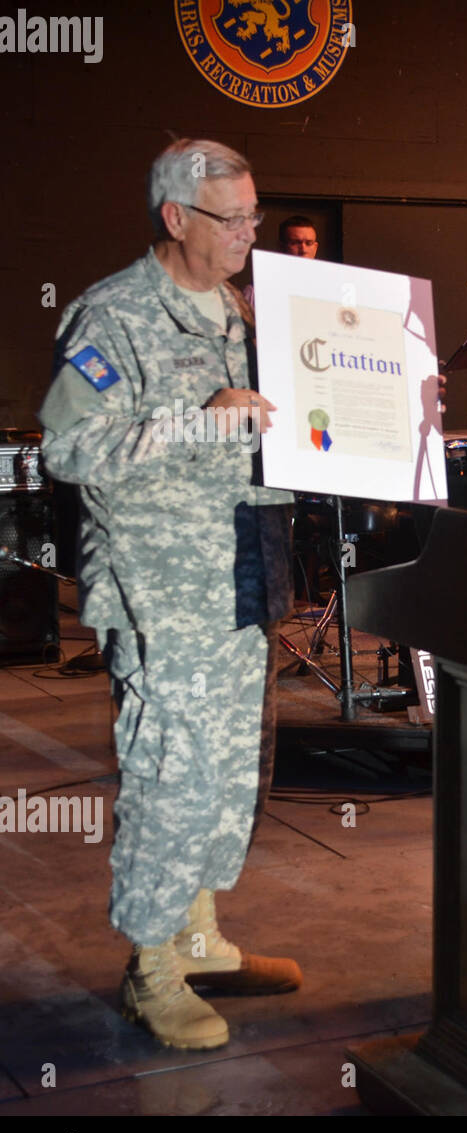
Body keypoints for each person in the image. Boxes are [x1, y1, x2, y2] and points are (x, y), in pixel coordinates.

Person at [37, 139, 301, 1051]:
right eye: (233, 219)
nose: (249, 233)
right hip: (163, 588)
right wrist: (197, 420)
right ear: (176, 218)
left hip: (238, 570)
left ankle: (198, 936)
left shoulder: (232, 305)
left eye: (255, 215)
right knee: (167, 774)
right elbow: (68, 449)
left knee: (223, 770)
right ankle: (151, 967)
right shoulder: (112, 315)